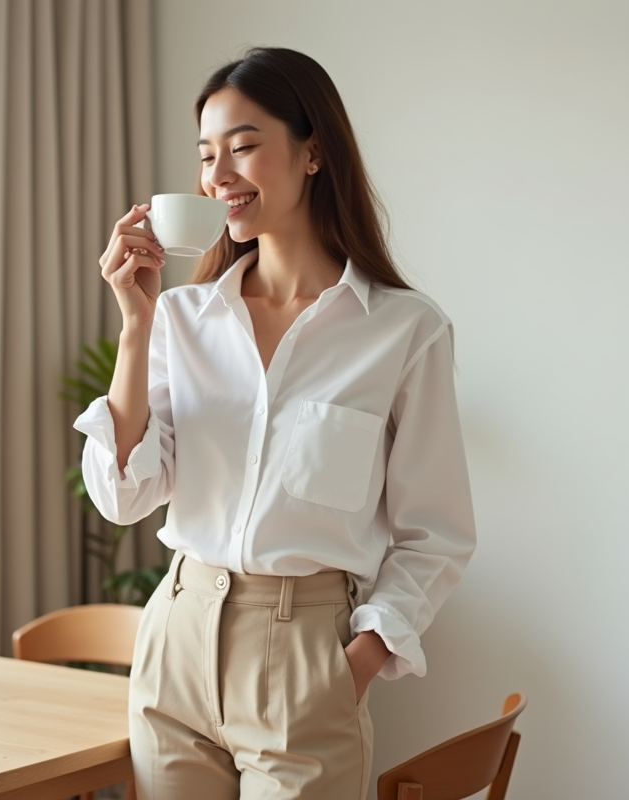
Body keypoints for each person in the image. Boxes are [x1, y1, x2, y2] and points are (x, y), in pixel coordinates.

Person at [74, 46, 475, 800]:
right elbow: (124, 495)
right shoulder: (182, 318)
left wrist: (353, 662)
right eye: (206, 155)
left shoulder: (404, 330)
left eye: (244, 147)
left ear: (314, 151)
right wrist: (136, 324)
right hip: (176, 641)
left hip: (305, 658)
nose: (217, 175)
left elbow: (437, 532)